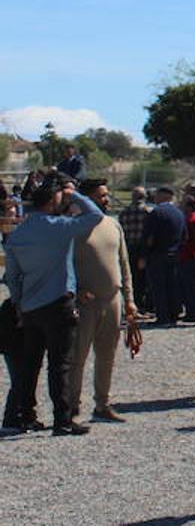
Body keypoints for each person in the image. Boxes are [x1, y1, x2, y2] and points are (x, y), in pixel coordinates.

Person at [2, 177, 105, 435]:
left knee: (30, 364)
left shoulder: (18, 235)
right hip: (59, 301)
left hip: (30, 306)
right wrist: (75, 194)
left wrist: (18, 303)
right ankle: (63, 419)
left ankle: (26, 415)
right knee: (60, 364)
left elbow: (12, 277)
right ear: (51, 202)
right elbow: (95, 216)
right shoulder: (60, 227)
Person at [68, 178, 136, 423]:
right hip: (84, 303)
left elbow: (124, 264)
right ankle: (71, 407)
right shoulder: (72, 228)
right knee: (77, 358)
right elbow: (62, 266)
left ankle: (102, 405)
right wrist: (75, 291)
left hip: (113, 300)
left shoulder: (113, 225)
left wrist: (129, 299)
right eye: (101, 195)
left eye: (107, 195)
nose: (106, 199)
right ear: (86, 199)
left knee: (107, 357)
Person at [141, 186, 185, 326]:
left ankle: (163, 317)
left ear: (163, 196)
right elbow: (185, 235)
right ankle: (174, 314)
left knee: (158, 287)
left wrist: (144, 253)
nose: (154, 198)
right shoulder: (179, 213)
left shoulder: (156, 213)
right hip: (175, 253)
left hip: (157, 254)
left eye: (157, 195)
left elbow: (149, 237)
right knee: (172, 285)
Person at [118, 186, 153, 313]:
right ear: (145, 197)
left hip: (129, 247)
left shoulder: (124, 213)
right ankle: (146, 305)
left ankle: (135, 303)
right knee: (145, 278)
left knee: (132, 278)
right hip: (145, 249)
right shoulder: (149, 212)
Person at [177, 192, 195, 323]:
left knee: (190, 287)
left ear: (189, 206)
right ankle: (191, 310)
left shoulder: (193, 220)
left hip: (190, 257)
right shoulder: (191, 219)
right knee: (187, 286)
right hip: (186, 256)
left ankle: (193, 312)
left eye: (183, 204)